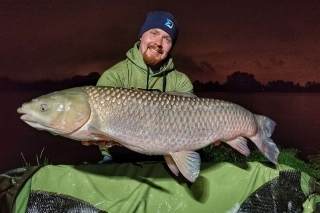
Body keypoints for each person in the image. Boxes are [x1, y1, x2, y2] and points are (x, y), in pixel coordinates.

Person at [82, 11, 194, 162]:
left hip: (165, 156)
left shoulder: (180, 82)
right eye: (154, 33)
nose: (158, 43)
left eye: (167, 39)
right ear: (141, 35)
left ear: (171, 46)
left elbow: (187, 130)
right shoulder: (114, 77)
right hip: (118, 157)